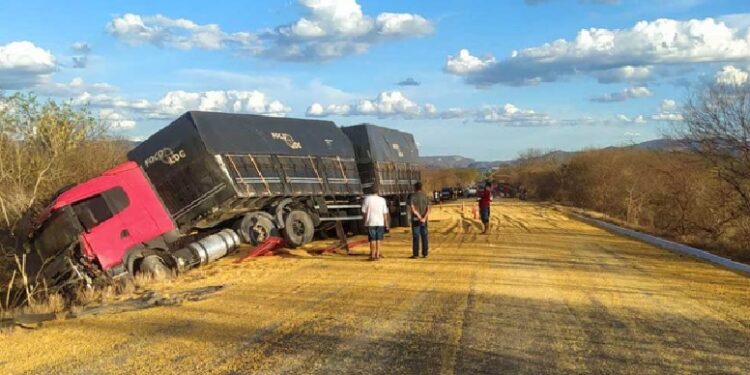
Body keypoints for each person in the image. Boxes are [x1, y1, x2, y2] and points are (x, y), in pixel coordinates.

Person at [361, 188, 389, 260]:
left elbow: (364, 212)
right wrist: (386, 223)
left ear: (371, 192)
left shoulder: (367, 199)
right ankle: (377, 254)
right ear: (378, 192)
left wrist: (364, 221)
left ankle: (372, 255)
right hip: (380, 222)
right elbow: (385, 213)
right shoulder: (382, 200)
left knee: (372, 239)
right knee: (378, 239)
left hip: (370, 222)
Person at [409, 182, 430, 259]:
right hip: (424, 220)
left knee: (416, 237)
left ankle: (416, 254)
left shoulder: (412, 196)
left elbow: (413, 209)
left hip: (415, 220)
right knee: (424, 236)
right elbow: (428, 208)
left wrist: (419, 217)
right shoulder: (425, 196)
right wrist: (424, 218)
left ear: (415, 188)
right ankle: (425, 253)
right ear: (421, 188)